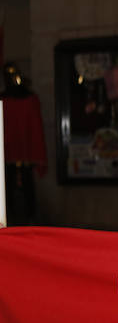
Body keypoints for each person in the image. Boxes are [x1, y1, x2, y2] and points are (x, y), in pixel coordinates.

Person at [1, 63, 47, 225]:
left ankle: (29, 219)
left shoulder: (29, 99)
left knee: (27, 189)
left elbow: (34, 127)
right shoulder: (3, 100)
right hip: (6, 154)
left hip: (24, 152)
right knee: (7, 190)